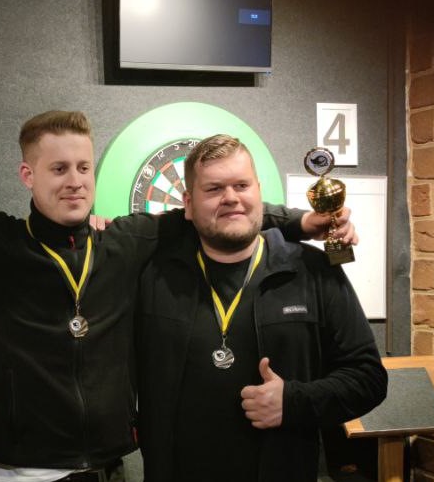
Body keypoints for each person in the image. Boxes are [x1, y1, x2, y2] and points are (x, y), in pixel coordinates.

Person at [0, 111, 356, 482]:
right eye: (58, 168)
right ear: (27, 175)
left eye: (83, 166)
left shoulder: (128, 240)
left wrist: (304, 222)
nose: (75, 180)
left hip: (109, 467)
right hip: (16, 470)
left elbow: (217, 209)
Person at [135, 134, 387, 482]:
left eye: (242, 185)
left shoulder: (313, 271)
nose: (231, 198)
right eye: (214, 189)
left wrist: (293, 402)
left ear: (258, 192)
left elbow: (368, 379)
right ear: (188, 205)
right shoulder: (152, 276)